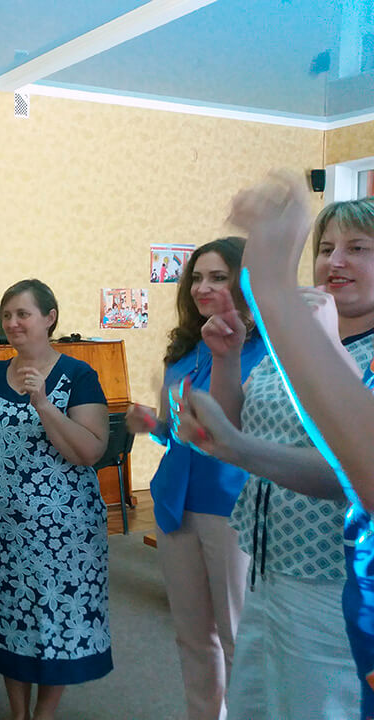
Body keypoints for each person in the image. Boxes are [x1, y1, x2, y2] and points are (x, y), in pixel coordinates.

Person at [168, 174, 374, 720]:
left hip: (331, 580)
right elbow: (238, 425)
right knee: (257, 704)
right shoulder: (296, 343)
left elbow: (353, 471)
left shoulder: (330, 344)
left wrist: (239, 449)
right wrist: (229, 358)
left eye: (357, 248)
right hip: (266, 561)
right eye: (325, 247)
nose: (334, 261)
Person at [0, 279, 111, 720]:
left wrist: (42, 402)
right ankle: (18, 713)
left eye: (23, 313)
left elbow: (89, 451)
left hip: (60, 532)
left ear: (50, 317)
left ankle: (44, 716)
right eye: (7, 315)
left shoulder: (78, 375)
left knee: (53, 620)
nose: (13, 323)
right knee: (11, 620)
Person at [126, 238, 266, 720]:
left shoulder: (267, 353)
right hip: (173, 502)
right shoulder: (183, 352)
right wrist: (153, 425)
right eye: (197, 278)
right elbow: (174, 433)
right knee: (191, 635)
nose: (203, 288)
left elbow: (264, 433)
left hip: (233, 504)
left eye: (218, 278)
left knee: (237, 634)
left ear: (244, 284)